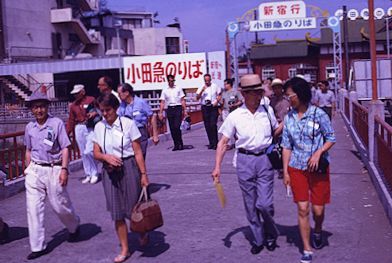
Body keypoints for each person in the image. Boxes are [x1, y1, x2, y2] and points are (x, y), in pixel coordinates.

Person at [212, 74, 280, 255]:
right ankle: (258, 238)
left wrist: (290, 121)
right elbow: (223, 142)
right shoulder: (235, 116)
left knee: (264, 204)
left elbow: (276, 131)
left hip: (265, 159)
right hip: (244, 161)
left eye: (259, 92)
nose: (258, 96)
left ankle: (271, 233)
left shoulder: (267, 111)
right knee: (250, 204)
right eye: (253, 93)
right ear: (244, 95)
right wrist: (217, 167)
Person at [281, 77, 336, 263]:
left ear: (300, 94)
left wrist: (319, 152)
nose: (289, 99)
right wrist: (286, 172)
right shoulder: (288, 118)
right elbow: (286, 146)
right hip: (296, 167)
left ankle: (318, 230)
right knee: (303, 208)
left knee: (317, 210)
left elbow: (331, 138)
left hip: (318, 168)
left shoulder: (319, 114)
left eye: (290, 95)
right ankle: (307, 248)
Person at [93, 93, 149, 263]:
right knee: (117, 212)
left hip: (129, 167)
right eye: (102, 111)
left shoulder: (128, 124)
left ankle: (142, 231)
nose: (105, 114)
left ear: (116, 108)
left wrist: (144, 175)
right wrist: (106, 157)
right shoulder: (99, 127)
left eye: (108, 110)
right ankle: (125, 248)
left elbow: (138, 151)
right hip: (109, 171)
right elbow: (95, 152)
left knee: (134, 207)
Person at [24, 89, 80, 260]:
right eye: (35, 107)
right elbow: (28, 149)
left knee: (59, 205)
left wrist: (64, 169)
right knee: (33, 209)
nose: (39, 110)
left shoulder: (56, 124)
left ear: (47, 107)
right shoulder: (29, 127)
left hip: (54, 169)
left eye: (42, 107)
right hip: (35, 169)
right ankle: (38, 246)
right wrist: (28, 170)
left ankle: (73, 225)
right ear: (32, 109)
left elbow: (65, 147)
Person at [66, 84, 100, 184]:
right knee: (82, 153)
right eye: (75, 94)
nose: (76, 96)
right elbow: (71, 120)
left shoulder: (91, 100)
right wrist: (66, 133)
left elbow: (99, 110)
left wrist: (95, 113)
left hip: (89, 127)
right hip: (79, 127)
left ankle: (94, 173)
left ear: (82, 92)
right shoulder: (73, 106)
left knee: (89, 151)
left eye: (77, 93)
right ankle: (88, 174)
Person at [117, 83, 159, 158]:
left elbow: (152, 116)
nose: (118, 96)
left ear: (126, 93)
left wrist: (155, 135)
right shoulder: (121, 106)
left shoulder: (141, 102)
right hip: (127, 133)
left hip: (140, 132)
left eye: (119, 93)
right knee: (131, 158)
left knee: (140, 157)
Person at [159, 75, 188, 151]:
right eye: (170, 81)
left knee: (177, 126)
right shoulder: (165, 90)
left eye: (173, 81)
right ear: (168, 81)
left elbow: (182, 100)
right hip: (170, 108)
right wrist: (160, 112)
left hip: (178, 107)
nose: (172, 82)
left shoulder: (178, 88)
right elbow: (162, 102)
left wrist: (185, 110)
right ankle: (176, 144)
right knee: (172, 128)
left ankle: (180, 143)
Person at [196, 73, 222, 150]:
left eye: (208, 80)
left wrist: (217, 101)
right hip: (205, 107)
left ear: (210, 80)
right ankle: (211, 143)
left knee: (213, 124)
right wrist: (202, 91)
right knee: (207, 126)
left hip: (213, 107)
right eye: (205, 81)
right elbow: (197, 98)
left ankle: (215, 142)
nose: (207, 82)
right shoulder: (201, 87)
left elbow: (220, 94)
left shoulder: (215, 86)